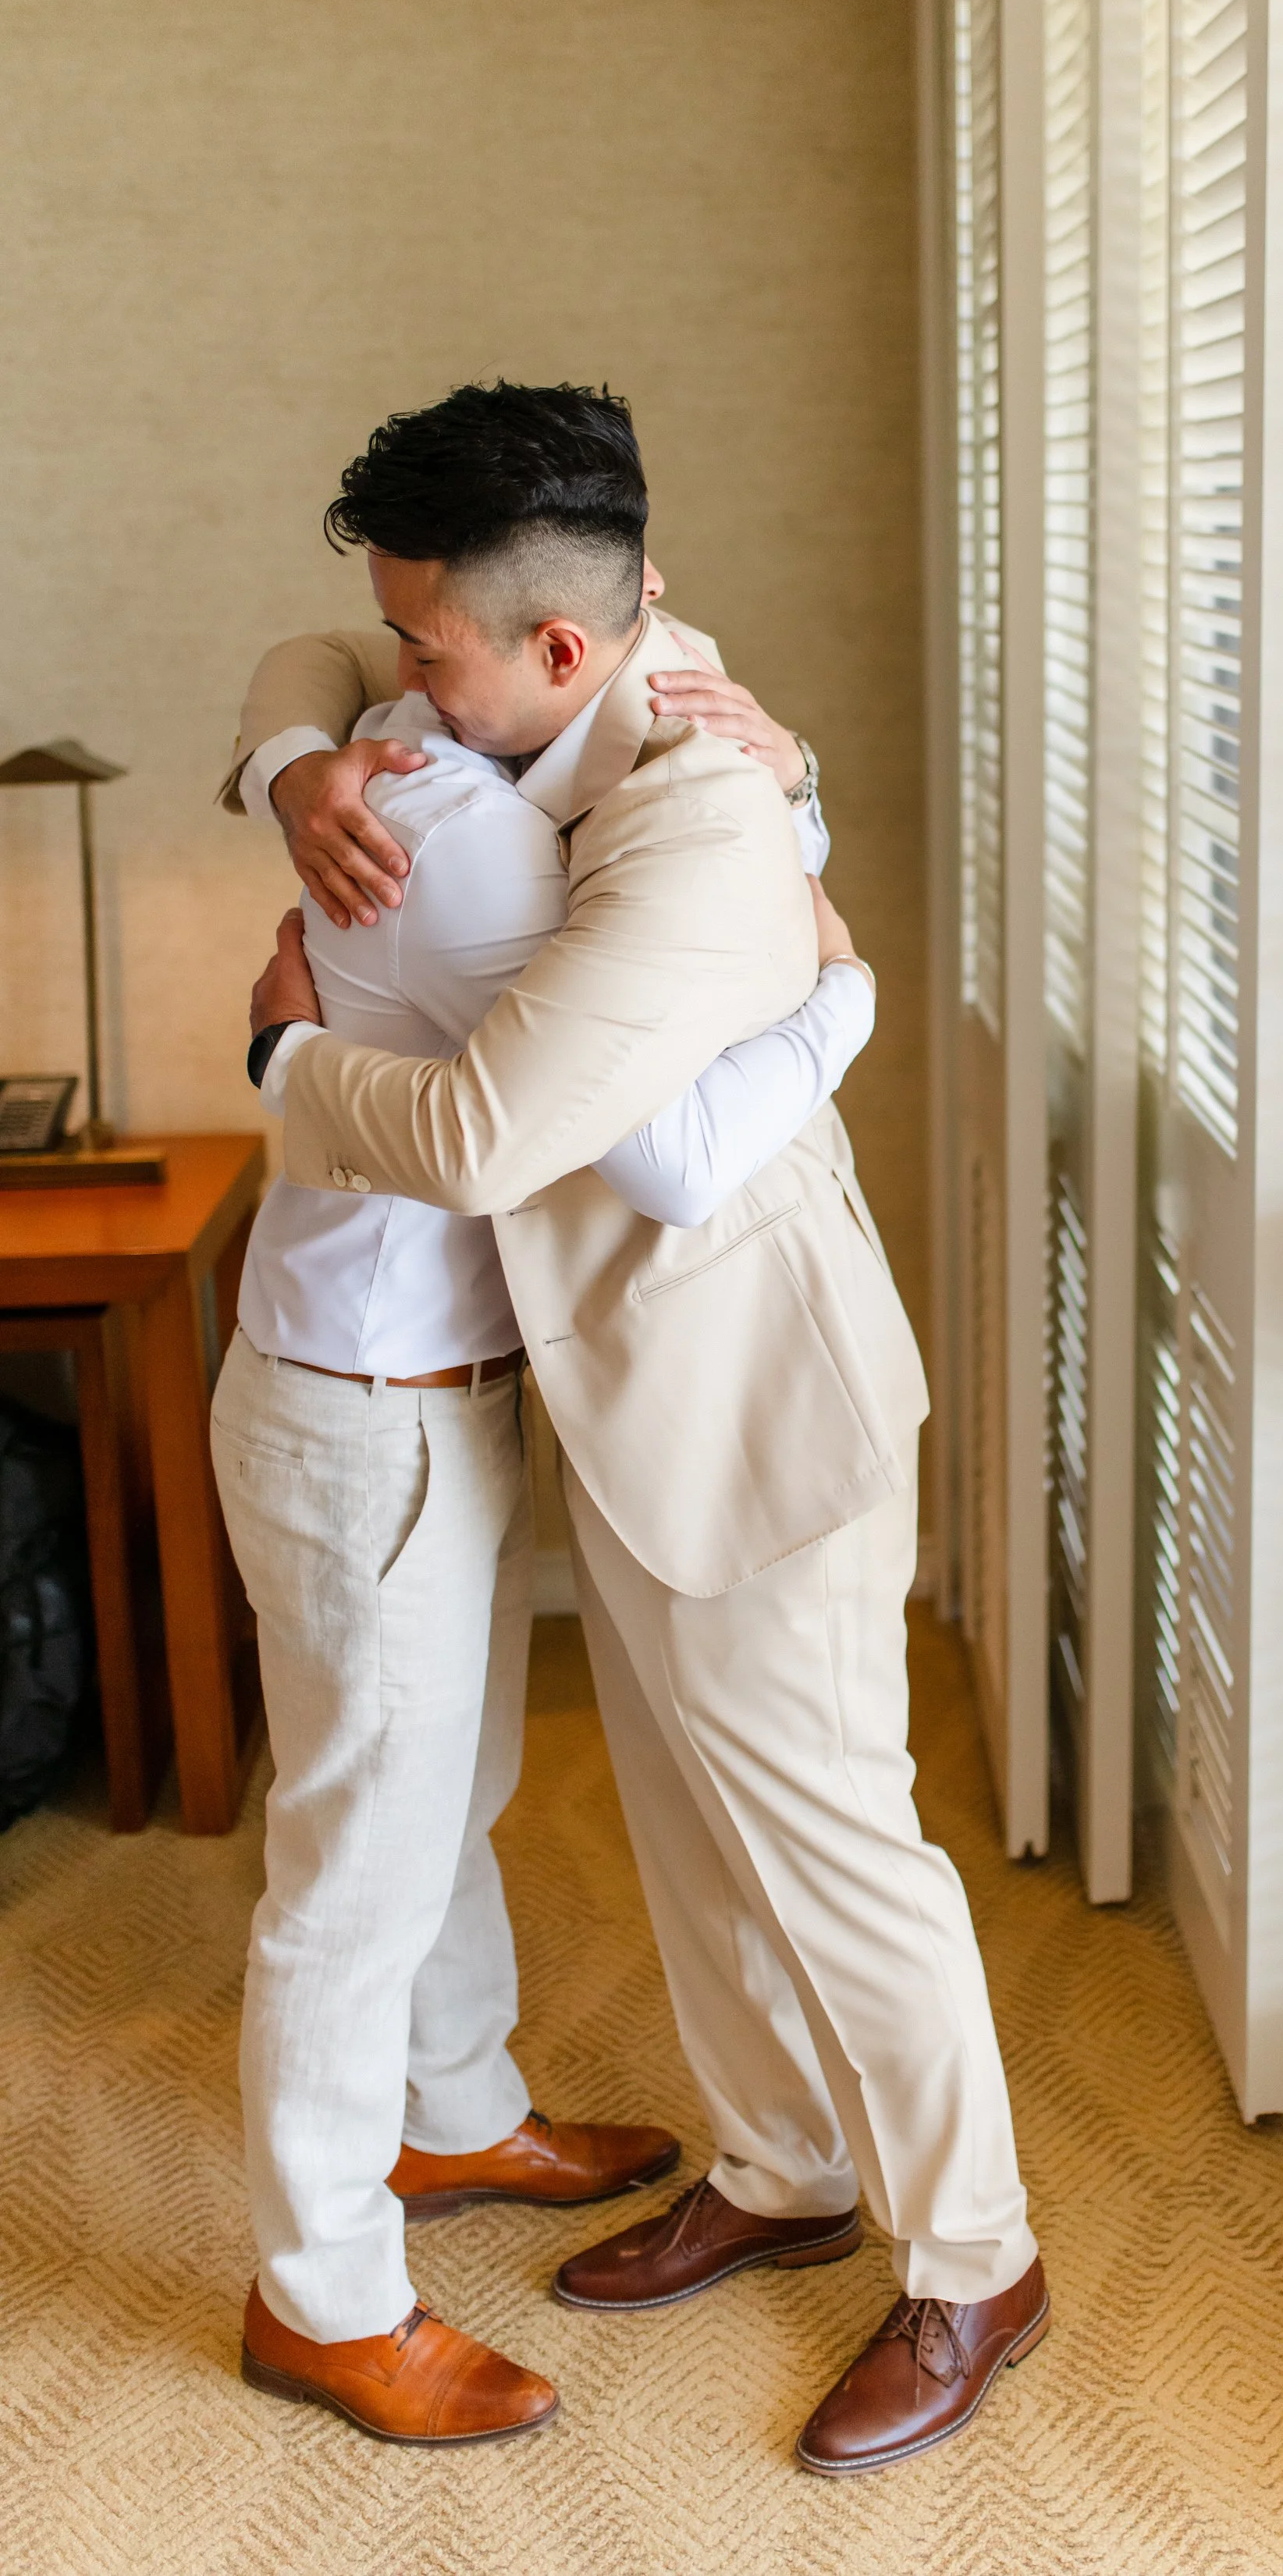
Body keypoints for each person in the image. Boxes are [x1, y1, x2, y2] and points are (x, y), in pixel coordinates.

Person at [230, 381, 1045, 2475]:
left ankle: (974, 2256)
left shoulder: (695, 813)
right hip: (618, 1399)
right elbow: (314, 656)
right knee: (692, 1832)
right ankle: (779, 2168)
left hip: (752, 1410)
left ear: (563, 652)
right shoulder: (557, 689)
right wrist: (300, 747)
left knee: (840, 1846)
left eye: (431, 648)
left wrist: (287, 1046)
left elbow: (518, 1133)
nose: (402, 677)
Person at [218, 656, 874, 2447]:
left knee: (457, 1788)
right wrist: (843, 990)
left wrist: (284, 753)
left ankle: (452, 2109)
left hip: (448, 1385)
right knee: (354, 1863)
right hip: (370, 1401)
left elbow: (307, 673)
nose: (403, 675)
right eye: (405, 649)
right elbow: (665, 1145)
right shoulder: (472, 838)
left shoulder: (534, 716)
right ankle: (324, 2299)